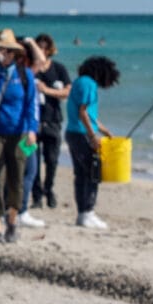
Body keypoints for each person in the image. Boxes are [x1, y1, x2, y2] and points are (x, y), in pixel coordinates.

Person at [0, 33, 39, 243]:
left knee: (17, 179)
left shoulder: (24, 74)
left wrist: (32, 129)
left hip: (19, 133)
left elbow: (32, 103)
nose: (6, 54)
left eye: (9, 50)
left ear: (16, 53)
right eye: (2, 49)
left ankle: (12, 221)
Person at [64, 54, 119, 231]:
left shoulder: (80, 82)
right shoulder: (89, 84)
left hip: (73, 132)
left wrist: (104, 130)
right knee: (92, 173)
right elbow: (83, 113)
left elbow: (89, 115)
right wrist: (93, 136)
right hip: (81, 134)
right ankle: (87, 212)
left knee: (81, 174)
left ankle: (83, 214)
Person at [27, 34, 71, 209]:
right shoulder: (32, 69)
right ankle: (36, 196)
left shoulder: (59, 69)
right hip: (34, 124)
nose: (42, 50)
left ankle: (49, 189)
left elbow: (67, 92)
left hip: (53, 121)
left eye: (45, 47)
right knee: (33, 162)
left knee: (52, 161)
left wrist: (47, 91)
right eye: (39, 47)